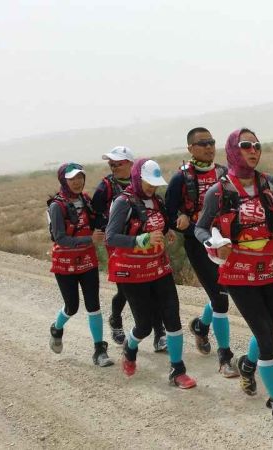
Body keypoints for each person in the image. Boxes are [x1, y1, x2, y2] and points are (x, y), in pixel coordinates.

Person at [194, 128, 273, 435]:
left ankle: (248, 365)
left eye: (257, 145)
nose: (254, 150)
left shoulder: (268, 183)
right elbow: (200, 228)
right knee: (267, 338)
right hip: (238, 270)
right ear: (233, 150)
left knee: (267, 331)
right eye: (246, 145)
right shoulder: (219, 191)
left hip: (269, 266)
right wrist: (214, 245)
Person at [105, 158, 197, 389]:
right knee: (144, 325)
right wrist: (140, 240)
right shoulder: (123, 202)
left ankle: (177, 370)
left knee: (173, 318)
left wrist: (167, 231)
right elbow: (111, 237)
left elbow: (159, 224)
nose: (152, 187)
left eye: (155, 183)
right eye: (148, 182)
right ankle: (130, 348)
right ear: (137, 178)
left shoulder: (157, 200)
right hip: (132, 272)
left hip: (159, 267)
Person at [165, 127, 237, 377]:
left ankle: (201, 326)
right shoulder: (180, 178)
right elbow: (168, 213)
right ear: (190, 148)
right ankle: (225, 357)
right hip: (198, 243)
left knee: (223, 291)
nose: (208, 147)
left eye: (211, 142)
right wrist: (181, 219)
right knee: (220, 299)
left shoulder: (224, 174)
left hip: (224, 242)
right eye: (202, 143)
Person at [92, 146, 167, 351]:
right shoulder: (106, 187)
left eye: (118, 163)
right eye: (111, 164)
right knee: (125, 291)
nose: (114, 167)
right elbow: (95, 213)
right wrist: (104, 229)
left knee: (152, 288)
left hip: (148, 243)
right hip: (119, 244)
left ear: (131, 165)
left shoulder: (147, 185)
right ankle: (116, 320)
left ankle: (159, 333)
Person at [47, 162, 113, 367]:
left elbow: (96, 222)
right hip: (65, 263)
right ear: (63, 181)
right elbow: (60, 238)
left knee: (94, 305)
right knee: (72, 306)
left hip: (87, 260)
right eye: (72, 179)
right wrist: (89, 240)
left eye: (80, 177)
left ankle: (99, 349)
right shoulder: (56, 206)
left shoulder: (86, 200)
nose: (77, 182)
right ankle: (57, 328)